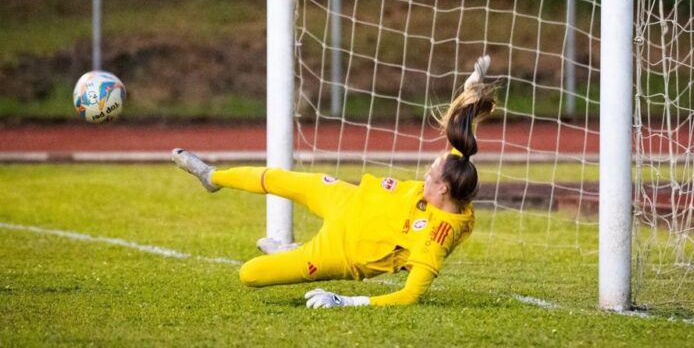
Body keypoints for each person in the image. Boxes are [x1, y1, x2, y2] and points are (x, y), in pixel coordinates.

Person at [172, 56, 496, 307]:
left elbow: (409, 295)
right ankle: (211, 176)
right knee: (278, 179)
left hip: (340, 252)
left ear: (442, 189)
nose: (424, 176)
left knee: (250, 274)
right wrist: (470, 93)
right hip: (347, 198)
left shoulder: (435, 240)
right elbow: (461, 141)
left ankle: (288, 252)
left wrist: (346, 301)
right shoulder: (456, 174)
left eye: (429, 175)